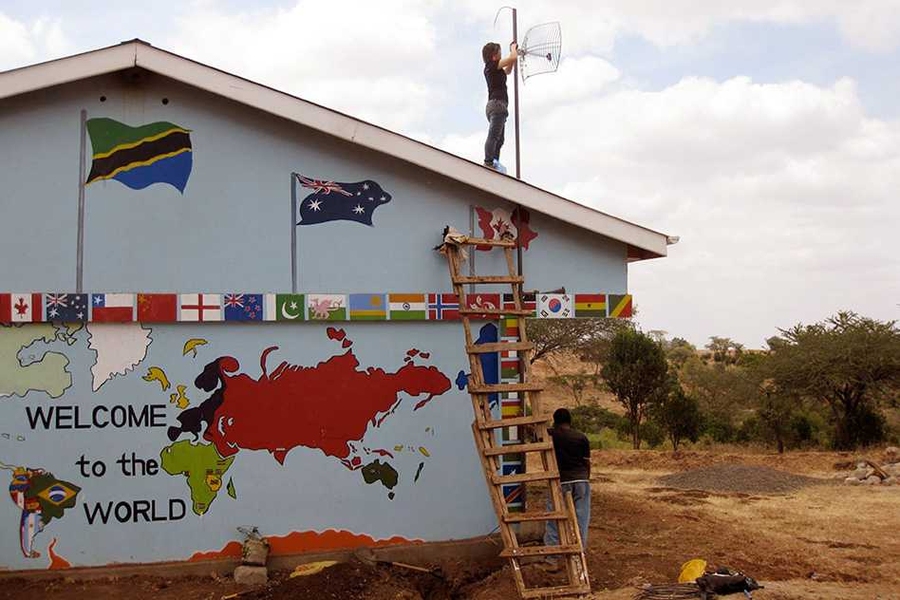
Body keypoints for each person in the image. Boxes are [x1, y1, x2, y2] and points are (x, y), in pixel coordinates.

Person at [543, 408, 591, 568]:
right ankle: (579, 554)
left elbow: (537, 432)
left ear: (555, 421)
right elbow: (587, 462)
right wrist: (586, 478)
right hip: (581, 480)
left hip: (561, 481)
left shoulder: (552, 435)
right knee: (581, 518)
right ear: (570, 421)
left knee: (554, 516)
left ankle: (552, 556)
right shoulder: (582, 437)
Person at [482, 41, 518, 173]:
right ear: (493, 56)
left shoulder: (495, 68)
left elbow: (508, 70)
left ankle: (494, 161)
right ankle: (489, 162)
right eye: (500, 53)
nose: (502, 55)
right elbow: (512, 58)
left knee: (500, 138)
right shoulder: (491, 66)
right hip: (497, 105)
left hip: (496, 105)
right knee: (494, 136)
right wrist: (513, 49)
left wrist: (513, 56)